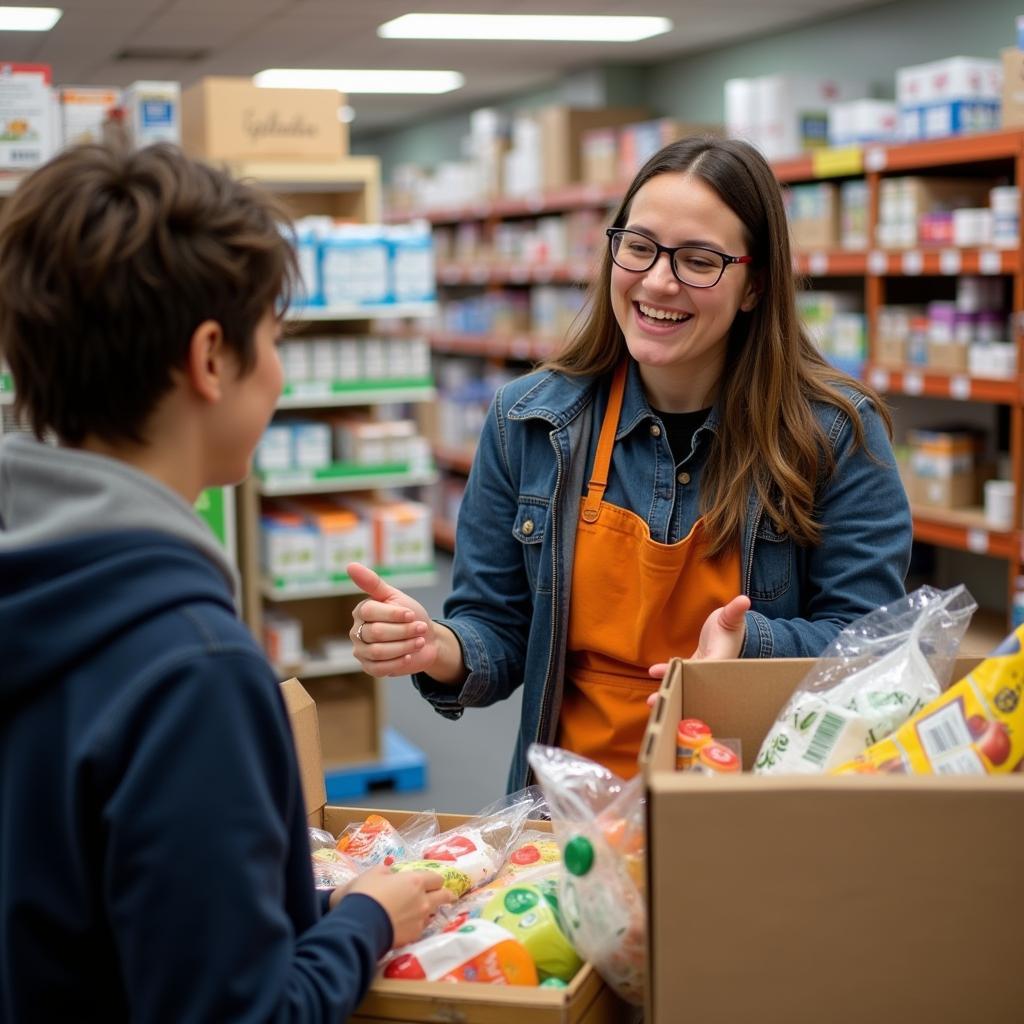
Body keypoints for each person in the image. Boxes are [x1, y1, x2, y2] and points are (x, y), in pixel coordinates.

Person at [0, 143, 451, 1022]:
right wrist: (364, 920)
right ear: (212, 358)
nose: (279, 371)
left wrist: (295, 919)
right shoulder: (191, 667)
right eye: (276, 339)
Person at [347, 135, 912, 790]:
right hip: (569, 816)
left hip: (754, 806)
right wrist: (436, 648)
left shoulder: (833, 435)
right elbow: (497, 627)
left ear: (754, 284)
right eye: (639, 247)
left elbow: (872, 653)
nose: (658, 281)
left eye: (698, 260)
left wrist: (750, 649)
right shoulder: (527, 423)